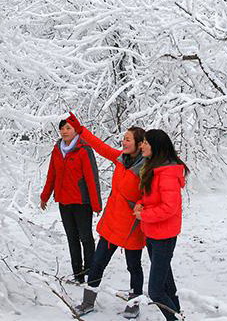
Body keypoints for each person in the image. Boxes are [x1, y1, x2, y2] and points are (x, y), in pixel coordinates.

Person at [65, 113, 146, 319]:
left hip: (131, 228)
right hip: (111, 224)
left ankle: (134, 303)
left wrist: (142, 204)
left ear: (139, 144)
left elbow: (152, 195)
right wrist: (81, 130)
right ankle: (88, 302)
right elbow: (100, 147)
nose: (123, 142)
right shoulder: (121, 159)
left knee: (133, 267)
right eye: (123, 138)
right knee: (97, 264)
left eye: (128, 139)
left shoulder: (146, 169)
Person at [133, 129, 189, 321]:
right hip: (152, 233)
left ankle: (175, 319)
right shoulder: (154, 168)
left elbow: (169, 207)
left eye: (146, 143)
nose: (142, 145)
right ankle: (178, 314)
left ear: (156, 147)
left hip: (164, 236)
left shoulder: (166, 173)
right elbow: (152, 197)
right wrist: (141, 203)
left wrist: (144, 215)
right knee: (166, 282)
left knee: (156, 291)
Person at [41, 118, 102, 283]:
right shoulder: (57, 150)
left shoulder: (83, 149)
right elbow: (51, 175)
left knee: (86, 237)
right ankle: (78, 275)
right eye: (62, 129)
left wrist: (96, 204)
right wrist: (44, 196)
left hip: (82, 202)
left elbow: (92, 177)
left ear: (75, 130)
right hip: (64, 202)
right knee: (72, 238)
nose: (64, 131)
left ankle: (91, 274)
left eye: (68, 128)